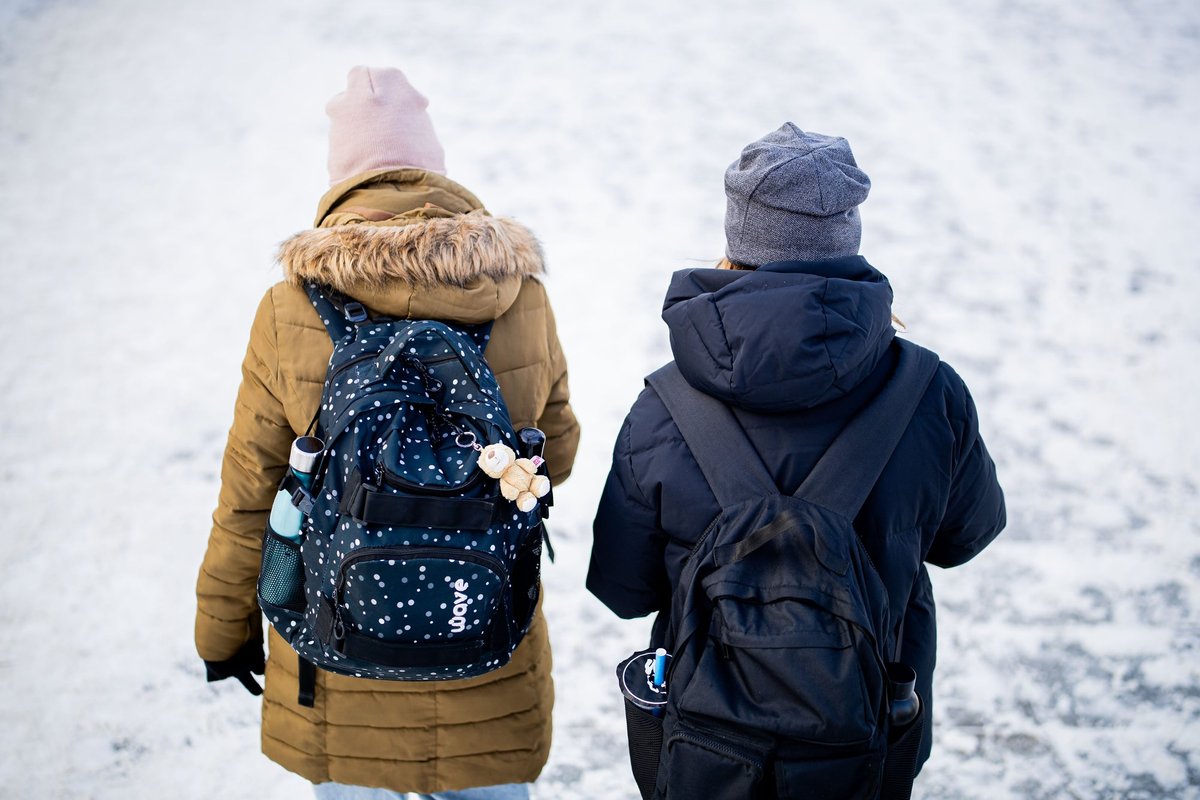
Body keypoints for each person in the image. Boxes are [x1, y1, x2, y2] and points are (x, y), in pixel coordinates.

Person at [195, 66, 580, 800]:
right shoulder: (519, 294)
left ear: (341, 184)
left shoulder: (289, 308)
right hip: (486, 647)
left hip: (335, 659)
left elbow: (251, 491)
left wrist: (223, 630)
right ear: (437, 172)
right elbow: (554, 451)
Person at [588, 123, 1005, 781]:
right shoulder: (931, 394)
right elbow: (964, 538)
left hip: (706, 741)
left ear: (736, 239)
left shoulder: (665, 407)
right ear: (847, 240)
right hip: (866, 726)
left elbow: (625, 586)